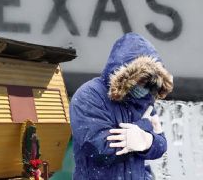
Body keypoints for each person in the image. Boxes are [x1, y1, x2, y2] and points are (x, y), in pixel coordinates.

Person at [70, 33, 173, 180]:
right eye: (141, 79)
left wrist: (146, 141)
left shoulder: (144, 100)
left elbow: (161, 145)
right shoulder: (89, 96)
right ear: (126, 75)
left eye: (150, 82)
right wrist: (143, 127)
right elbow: (100, 149)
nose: (144, 88)